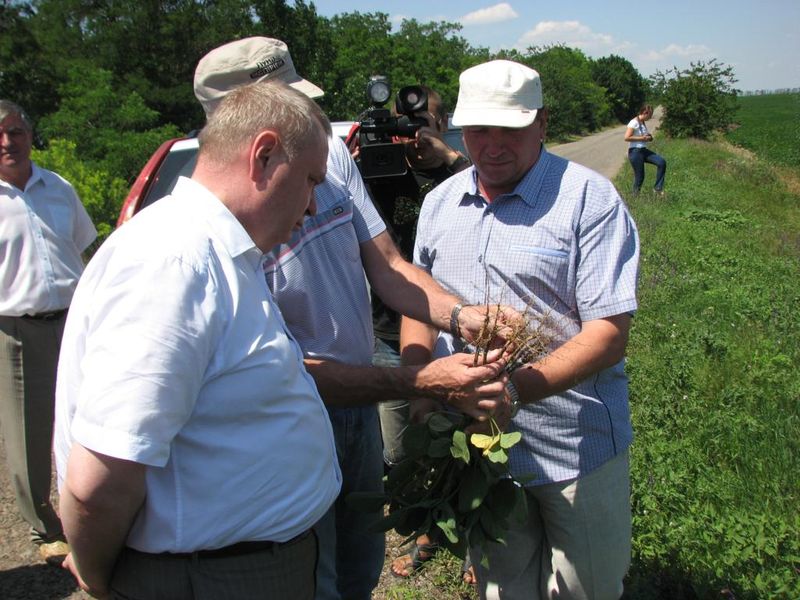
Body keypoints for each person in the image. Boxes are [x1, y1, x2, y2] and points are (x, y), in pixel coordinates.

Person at [193, 37, 513, 600]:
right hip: (291, 422)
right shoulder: (211, 232)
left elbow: (389, 265)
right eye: (283, 104)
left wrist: (461, 316)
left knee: (361, 561)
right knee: (312, 577)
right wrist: (419, 379)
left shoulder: (329, 157)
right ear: (237, 119)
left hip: (357, 405)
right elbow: (280, 373)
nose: (303, 118)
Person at [54, 81, 342, 600]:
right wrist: (100, 578)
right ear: (265, 154)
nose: (314, 204)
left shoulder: (217, 252)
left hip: (236, 568)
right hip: (212, 578)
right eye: (310, 180)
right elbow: (99, 480)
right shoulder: (174, 263)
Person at [401, 60, 640, 599]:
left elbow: (608, 332)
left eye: (510, 128)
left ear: (542, 124)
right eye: (479, 130)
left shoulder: (588, 200)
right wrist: (419, 380)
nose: (492, 145)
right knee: (501, 585)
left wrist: (513, 390)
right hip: (482, 451)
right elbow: (419, 302)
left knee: (589, 588)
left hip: (575, 445)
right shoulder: (440, 204)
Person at [0, 99, 97, 565]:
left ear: (29, 135)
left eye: (15, 131)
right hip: (17, 330)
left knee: (90, 414)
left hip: (75, 319)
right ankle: (44, 527)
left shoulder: (58, 188)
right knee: (28, 432)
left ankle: (92, 506)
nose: (7, 142)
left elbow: (81, 245)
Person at [624, 104, 666, 195]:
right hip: (635, 152)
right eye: (649, 115)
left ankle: (658, 188)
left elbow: (645, 136)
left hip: (643, 150)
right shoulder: (634, 122)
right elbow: (627, 137)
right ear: (645, 113)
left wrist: (649, 137)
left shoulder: (642, 122)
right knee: (640, 177)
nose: (650, 118)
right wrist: (642, 138)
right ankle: (634, 196)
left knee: (661, 162)